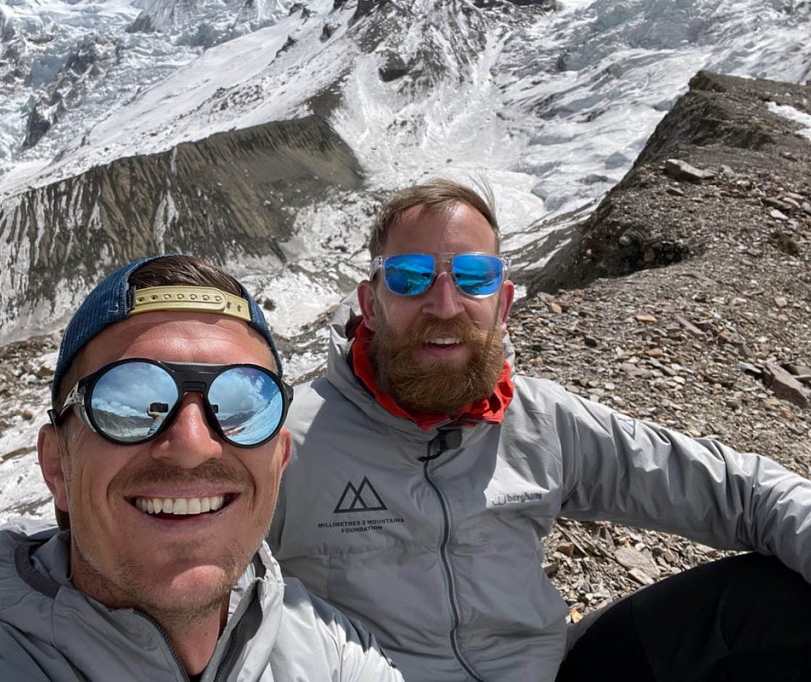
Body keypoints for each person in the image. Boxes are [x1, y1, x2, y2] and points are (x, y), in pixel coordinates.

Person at [268, 179, 811, 681]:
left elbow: (737, 490)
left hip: (547, 673)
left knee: (768, 598)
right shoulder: (289, 445)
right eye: (409, 277)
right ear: (371, 303)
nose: (444, 303)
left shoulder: (541, 421)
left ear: (501, 304)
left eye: (473, 277)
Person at [0, 255, 402, 681]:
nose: (192, 444)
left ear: (278, 460)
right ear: (57, 465)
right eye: (127, 399)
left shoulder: (331, 652)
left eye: (240, 404)